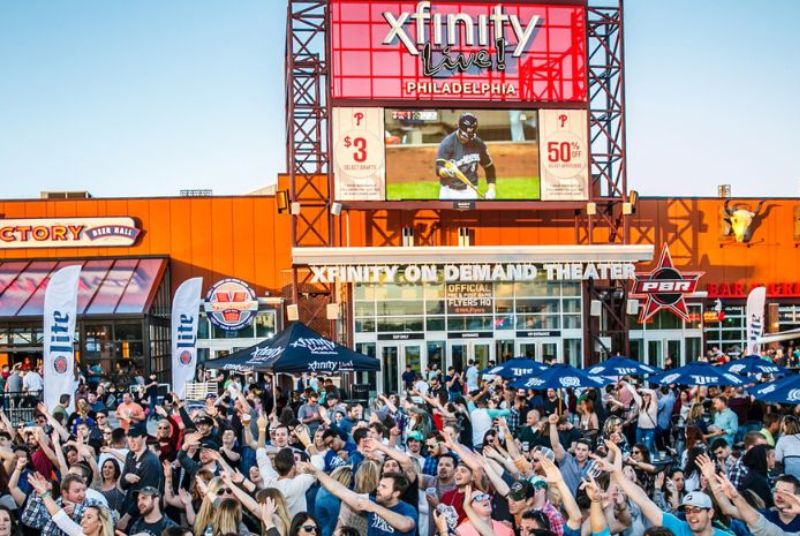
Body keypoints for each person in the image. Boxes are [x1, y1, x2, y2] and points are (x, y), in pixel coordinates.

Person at [304, 462, 417, 536]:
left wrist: (374, 507)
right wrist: (316, 471)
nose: (378, 488)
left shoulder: (407, 509)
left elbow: (405, 525)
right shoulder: (372, 502)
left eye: (384, 487)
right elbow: (339, 489)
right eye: (379, 484)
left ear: (396, 493)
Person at [436, 112, 497, 200]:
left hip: (470, 191)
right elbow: (438, 169)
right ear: (458, 128)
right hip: (449, 192)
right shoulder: (447, 143)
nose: (467, 139)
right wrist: (446, 172)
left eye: (470, 137)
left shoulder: (478, 144)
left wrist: (491, 190)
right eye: (465, 136)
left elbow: (489, 168)